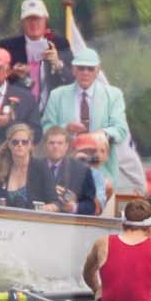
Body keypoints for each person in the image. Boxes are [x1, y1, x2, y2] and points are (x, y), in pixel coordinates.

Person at [39, 46, 129, 203]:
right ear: (73, 70)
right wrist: (65, 128)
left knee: (97, 212)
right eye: (81, 68)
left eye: (90, 68)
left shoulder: (114, 95)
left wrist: (101, 135)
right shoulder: (57, 95)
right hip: (64, 171)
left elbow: (121, 130)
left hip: (102, 171)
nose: (85, 72)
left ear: (98, 70)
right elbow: (45, 129)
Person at [0, 0, 70, 101]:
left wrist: (57, 63)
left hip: (53, 105)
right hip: (19, 106)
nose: (33, 23)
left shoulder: (60, 44)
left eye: (37, 19)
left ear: (45, 19)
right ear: (22, 21)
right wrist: (13, 72)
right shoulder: (8, 46)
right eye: (29, 19)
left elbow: (72, 77)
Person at [0, 123, 61, 209]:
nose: (20, 145)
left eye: (24, 142)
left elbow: (56, 203)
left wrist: (43, 209)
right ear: (9, 144)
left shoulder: (41, 167)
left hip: (33, 220)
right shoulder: (1, 168)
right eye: (15, 142)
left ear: (30, 145)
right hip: (5, 220)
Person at [42, 128, 93, 215]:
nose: (55, 146)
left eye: (60, 143)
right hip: (38, 220)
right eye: (51, 143)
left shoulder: (82, 170)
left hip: (68, 222)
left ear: (66, 146)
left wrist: (73, 207)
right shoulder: (33, 167)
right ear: (45, 145)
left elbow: (90, 206)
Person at [68, 132, 110, 215]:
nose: (86, 155)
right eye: (82, 151)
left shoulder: (97, 175)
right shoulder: (62, 169)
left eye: (90, 152)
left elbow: (97, 208)